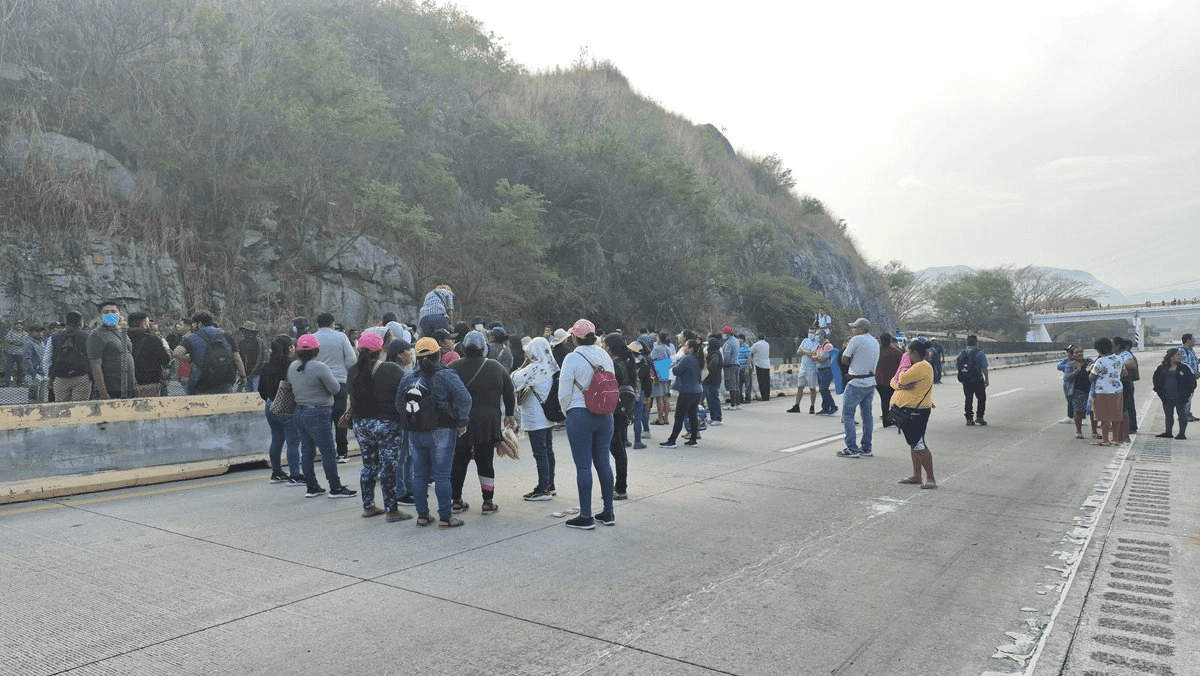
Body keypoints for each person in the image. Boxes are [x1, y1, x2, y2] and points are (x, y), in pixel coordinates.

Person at [397, 337, 472, 528]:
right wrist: (462, 421)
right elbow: (465, 399)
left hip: (415, 431)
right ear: (438, 354)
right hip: (443, 430)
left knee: (419, 475)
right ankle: (446, 518)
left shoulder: (408, 378)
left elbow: (398, 405)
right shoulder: (447, 375)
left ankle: (422, 516)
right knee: (442, 475)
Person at [448, 331, 515, 517]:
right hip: (488, 423)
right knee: (485, 461)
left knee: (459, 461)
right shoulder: (495, 367)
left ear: (463, 348)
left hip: (461, 422)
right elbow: (509, 392)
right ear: (484, 348)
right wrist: (509, 414)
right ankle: (487, 502)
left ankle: (456, 501)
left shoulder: (453, 367)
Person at [558, 319, 617, 530]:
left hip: (580, 413)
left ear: (575, 337)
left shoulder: (572, 358)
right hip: (605, 415)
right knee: (604, 463)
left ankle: (586, 516)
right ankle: (608, 512)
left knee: (583, 466)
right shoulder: (604, 355)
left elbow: (564, 391)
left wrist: (566, 411)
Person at [348, 331, 413, 521]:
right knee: (388, 467)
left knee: (368, 464)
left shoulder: (352, 370)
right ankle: (392, 510)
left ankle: (368, 506)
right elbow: (406, 393)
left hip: (361, 424)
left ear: (359, 349)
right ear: (381, 350)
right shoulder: (391, 369)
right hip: (386, 424)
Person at [289, 333, 356, 499]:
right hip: (318, 412)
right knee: (328, 452)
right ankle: (335, 487)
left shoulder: (293, 366)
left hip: (299, 412)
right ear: (316, 350)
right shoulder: (320, 367)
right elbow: (335, 389)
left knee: (307, 451)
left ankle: (312, 487)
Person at [512, 336, 559, 501]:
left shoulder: (535, 368)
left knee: (540, 452)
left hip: (536, 417)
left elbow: (513, 380)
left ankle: (543, 489)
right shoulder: (552, 366)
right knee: (548, 450)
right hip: (548, 415)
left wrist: (524, 364)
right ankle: (550, 484)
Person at [309, 312, 356, 463]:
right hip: (340, 381)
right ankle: (342, 453)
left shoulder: (313, 338)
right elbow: (352, 359)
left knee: (324, 419)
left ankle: (326, 453)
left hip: (320, 383)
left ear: (318, 324)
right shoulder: (341, 337)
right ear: (332, 323)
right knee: (340, 417)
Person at [892, 340, 937, 489]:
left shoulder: (922, 366)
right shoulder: (912, 367)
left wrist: (903, 367)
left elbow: (902, 378)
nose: (905, 355)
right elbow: (894, 381)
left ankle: (930, 478)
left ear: (915, 353)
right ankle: (917, 475)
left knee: (918, 444)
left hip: (917, 411)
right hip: (906, 410)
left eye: (907, 353)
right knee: (913, 444)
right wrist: (900, 385)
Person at [259, 334, 302, 485]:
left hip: (270, 405)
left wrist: (271, 400)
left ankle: (276, 472)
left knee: (276, 439)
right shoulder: (292, 366)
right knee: (293, 441)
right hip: (287, 407)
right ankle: (295, 475)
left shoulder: (267, 366)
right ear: (290, 348)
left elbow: (261, 390)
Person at [173, 312, 246, 395]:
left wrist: (190, 360)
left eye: (193, 323)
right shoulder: (226, 335)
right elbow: (237, 359)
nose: (192, 326)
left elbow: (176, 353)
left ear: (199, 324)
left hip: (203, 381)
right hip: (226, 380)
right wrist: (242, 376)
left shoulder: (192, 337)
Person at [837, 318, 880, 458]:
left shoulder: (856, 340)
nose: (853, 330)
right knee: (867, 415)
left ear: (861, 328)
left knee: (848, 414)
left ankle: (852, 449)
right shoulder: (875, 341)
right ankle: (866, 447)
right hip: (870, 381)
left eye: (855, 327)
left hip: (856, 382)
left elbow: (844, 359)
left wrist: (853, 362)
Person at [386, 338, 416, 505]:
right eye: (407, 352)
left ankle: (410, 487)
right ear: (399, 355)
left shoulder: (402, 369)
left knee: (408, 455)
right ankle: (401, 491)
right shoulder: (398, 372)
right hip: (401, 419)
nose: (410, 354)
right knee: (402, 456)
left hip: (405, 418)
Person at [87, 301, 136, 400]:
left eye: (113, 311)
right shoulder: (96, 335)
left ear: (120, 313)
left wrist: (134, 384)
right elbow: (96, 366)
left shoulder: (122, 332)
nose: (110, 314)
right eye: (106, 312)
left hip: (128, 389)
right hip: (112, 390)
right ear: (99, 315)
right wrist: (103, 394)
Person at [660, 337, 704, 449]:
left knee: (679, 416)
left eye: (685, 346)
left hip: (687, 391)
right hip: (696, 391)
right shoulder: (697, 359)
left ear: (691, 349)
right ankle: (693, 439)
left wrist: (675, 363)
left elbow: (676, 371)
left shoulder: (687, 358)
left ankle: (672, 440)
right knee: (693, 416)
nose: (683, 348)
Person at [48, 311, 93, 403]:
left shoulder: (54, 337)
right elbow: (92, 358)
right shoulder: (87, 337)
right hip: (81, 377)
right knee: (79, 407)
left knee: (62, 407)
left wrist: (50, 376)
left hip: (60, 377)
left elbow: (47, 359)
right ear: (81, 323)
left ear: (66, 322)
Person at [1088, 337, 1125, 447]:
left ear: (1098, 350)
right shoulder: (1118, 358)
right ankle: (1115, 439)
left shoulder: (1100, 361)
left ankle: (1105, 439)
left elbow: (1091, 377)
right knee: (1116, 416)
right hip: (1117, 390)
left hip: (1103, 391)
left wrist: (1089, 369)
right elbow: (1124, 373)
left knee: (1105, 417)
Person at [1152, 348, 1195, 440]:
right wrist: (1160, 392)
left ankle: (1181, 433)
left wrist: (1187, 393)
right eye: (1177, 354)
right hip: (1166, 396)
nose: (1180, 356)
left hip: (1180, 397)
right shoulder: (1162, 368)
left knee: (1182, 414)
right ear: (1171, 357)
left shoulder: (1184, 368)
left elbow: (1192, 382)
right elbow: (1156, 380)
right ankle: (1168, 432)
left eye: (1179, 354)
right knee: (1168, 415)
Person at [127, 312, 171, 398]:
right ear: (143, 323)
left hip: (126, 385)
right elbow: (165, 360)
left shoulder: (122, 339)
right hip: (150, 384)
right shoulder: (153, 340)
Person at [1062, 346, 1095, 440]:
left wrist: (1091, 368)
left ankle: (1094, 431)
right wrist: (1077, 370)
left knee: (1093, 411)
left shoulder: (1089, 361)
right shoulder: (1070, 365)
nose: (1079, 354)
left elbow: (1096, 368)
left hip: (1090, 390)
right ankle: (1078, 431)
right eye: (1077, 352)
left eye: (1081, 351)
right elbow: (1067, 377)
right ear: (1072, 355)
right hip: (1077, 391)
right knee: (1078, 411)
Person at [956, 335, 990, 426]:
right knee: (981, 398)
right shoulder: (979, 353)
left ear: (967, 342)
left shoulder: (962, 352)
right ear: (976, 342)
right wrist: (986, 379)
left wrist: (964, 374)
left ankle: (969, 419)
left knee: (968, 399)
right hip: (978, 379)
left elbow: (958, 365)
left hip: (966, 380)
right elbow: (984, 367)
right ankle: (979, 417)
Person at [788, 326, 820, 413]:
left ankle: (812, 406)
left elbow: (813, 354)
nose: (811, 334)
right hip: (803, 367)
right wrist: (806, 352)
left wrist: (804, 351)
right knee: (800, 387)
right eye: (809, 332)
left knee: (812, 388)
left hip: (812, 368)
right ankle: (797, 405)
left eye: (813, 333)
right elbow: (798, 351)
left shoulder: (817, 343)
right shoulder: (805, 340)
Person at [875, 333, 904, 428]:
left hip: (879, 381)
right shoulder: (897, 352)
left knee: (884, 401)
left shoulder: (877, 351)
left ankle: (886, 421)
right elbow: (903, 366)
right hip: (893, 382)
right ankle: (894, 419)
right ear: (891, 340)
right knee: (895, 401)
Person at [628, 339, 653, 448]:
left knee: (625, 417)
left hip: (627, 391)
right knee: (639, 416)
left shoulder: (626, 362)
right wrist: (648, 395)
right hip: (640, 392)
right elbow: (648, 382)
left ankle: (624, 440)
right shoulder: (645, 364)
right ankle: (637, 441)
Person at [650, 332, 673, 424]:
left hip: (658, 372)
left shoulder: (656, 348)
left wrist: (654, 374)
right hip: (667, 373)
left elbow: (652, 359)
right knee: (666, 396)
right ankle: (666, 418)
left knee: (659, 397)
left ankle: (660, 418)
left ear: (659, 338)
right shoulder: (668, 348)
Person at [21, 324, 48, 402]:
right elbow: (27, 359)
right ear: (32, 332)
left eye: (42, 331)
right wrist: (33, 372)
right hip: (34, 374)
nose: (41, 333)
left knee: (42, 398)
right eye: (38, 331)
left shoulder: (42, 343)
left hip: (43, 372)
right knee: (33, 398)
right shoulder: (28, 343)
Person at [238, 322, 267, 394]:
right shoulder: (242, 343)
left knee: (256, 394)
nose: (244, 332)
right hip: (246, 375)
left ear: (251, 331)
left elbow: (260, 359)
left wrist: (252, 373)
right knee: (247, 394)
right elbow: (240, 359)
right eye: (243, 330)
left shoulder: (259, 342)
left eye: (246, 330)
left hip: (257, 374)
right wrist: (242, 373)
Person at [813, 332, 838, 415]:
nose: (816, 336)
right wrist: (817, 357)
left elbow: (823, 359)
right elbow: (814, 356)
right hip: (820, 370)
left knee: (824, 389)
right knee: (822, 390)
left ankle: (833, 406)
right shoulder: (819, 346)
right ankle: (825, 408)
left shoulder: (827, 346)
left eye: (818, 335)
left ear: (823, 336)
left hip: (826, 370)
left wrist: (816, 357)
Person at [702, 336, 724, 427]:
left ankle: (717, 418)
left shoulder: (715, 354)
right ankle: (713, 416)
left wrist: (706, 368)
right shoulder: (712, 353)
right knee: (709, 399)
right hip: (709, 379)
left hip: (713, 379)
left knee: (713, 398)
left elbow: (714, 363)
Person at [719, 325, 742, 410]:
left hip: (730, 365)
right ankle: (738, 403)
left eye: (724, 333)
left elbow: (726, 355)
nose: (723, 335)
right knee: (736, 384)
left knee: (731, 385)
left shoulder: (728, 342)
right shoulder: (736, 340)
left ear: (727, 334)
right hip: (736, 364)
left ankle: (732, 405)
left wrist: (723, 364)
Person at [1180, 334, 1200, 422]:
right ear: (1188, 341)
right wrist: (1193, 374)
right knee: (1187, 396)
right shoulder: (1182, 351)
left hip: (1192, 378)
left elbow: (1195, 361)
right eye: (1193, 340)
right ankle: (1184, 415)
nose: (1195, 341)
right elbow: (1185, 365)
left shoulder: (1191, 350)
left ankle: (1187, 414)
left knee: (1189, 396)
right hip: (1186, 378)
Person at [750, 332, 771, 401]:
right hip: (767, 365)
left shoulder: (756, 345)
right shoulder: (767, 344)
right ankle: (767, 396)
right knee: (767, 381)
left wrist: (750, 343)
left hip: (759, 365)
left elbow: (750, 351)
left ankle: (764, 396)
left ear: (758, 338)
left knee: (761, 382)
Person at [4, 321, 25, 387]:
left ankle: (20, 382)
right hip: (11, 353)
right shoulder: (11, 332)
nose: (19, 326)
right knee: (9, 367)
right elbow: (7, 339)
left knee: (20, 368)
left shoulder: (25, 333)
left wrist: (13, 341)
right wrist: (17, 341)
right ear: (15, 325)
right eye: (17, 324)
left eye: (20, 324)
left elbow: (23, 342)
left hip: (21, 353)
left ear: (22, 326)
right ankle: (7, 382)